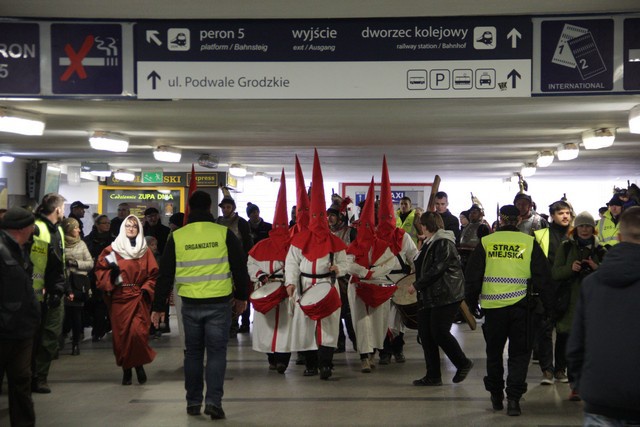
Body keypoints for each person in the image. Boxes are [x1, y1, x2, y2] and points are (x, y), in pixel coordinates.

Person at [152, 190, 249, 420]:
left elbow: (165, 274)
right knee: (216, 354)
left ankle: (193, 402)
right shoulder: (223, 233)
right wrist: (242, 297)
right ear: (209, 207)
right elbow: (240, 267)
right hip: (219, 304)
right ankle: (214, 402)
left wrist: (157, 306)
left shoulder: (177, 236)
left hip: (191, 304)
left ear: (189, 207)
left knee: (193, 354)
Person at [465, 205, 550, 416]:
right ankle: (513, 400)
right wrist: (549, 309)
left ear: (500, 221)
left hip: (494, 309)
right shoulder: (529, 242)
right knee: (519, 354)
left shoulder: (486, 242)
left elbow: (473, 277)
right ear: (518, 220)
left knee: (494, 353)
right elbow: (543, 278)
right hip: (523, 307)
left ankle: (495, 395)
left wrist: (470, 303)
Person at [567, 206, 640, 426]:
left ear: (619, 237)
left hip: (600, 399)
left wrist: (584, 384)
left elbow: (576, 344)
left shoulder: (591, 284)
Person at [285, 150, 348, 380]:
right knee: (305, 327)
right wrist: (291, 283)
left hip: (327, 285)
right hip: (304, 286)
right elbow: (291, 263)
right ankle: (310, 363)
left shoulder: (335, 242)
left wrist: (338, 269)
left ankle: (326, 364)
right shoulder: (299, 241)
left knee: (329, 327)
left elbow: (345, 262)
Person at [410, 212, 473, 386]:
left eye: (421, 224)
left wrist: (417, 285)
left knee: (439, 331)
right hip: (431, 295)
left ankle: (463, 363)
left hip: (445, 294)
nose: (420, 228)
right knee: (426, 335)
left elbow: (438, 268)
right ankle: (433, 375)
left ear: (426, 225)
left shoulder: (443, 241)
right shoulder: (431, 242)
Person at [95, 214, 158, 386]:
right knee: (121, 337)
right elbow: (100, 272)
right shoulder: (111, 250)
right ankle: (127, 370)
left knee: (137, 334)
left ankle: (138, 365)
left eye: (134, 226)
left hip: (138, 297)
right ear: (123, 227)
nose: (131, 228)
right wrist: (112, 275)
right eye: (128, 225)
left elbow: (153, 274)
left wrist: (146, 290)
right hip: (119, 298)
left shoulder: (144, 251)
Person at [551, 211, 606, 401]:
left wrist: (596, 268)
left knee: (591, 346)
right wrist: (570, 269)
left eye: (588, 226)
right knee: (569, 343)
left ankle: (587, 382)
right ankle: (573, 383)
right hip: (569, 303)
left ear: (593, 229)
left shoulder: (601, 251)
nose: (584, 230)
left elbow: (609, 277)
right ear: (576, 229)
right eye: (581, 226)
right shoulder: (566, 248)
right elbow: (555, 273)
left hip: (594, 305)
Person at [346, 179, 396, 373]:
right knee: (361, 321)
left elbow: (389, 262)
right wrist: (362, 272)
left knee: (377, 321)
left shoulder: (383, 246)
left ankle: (373, 351)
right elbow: (348, 263)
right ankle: (364, 357)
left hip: (377, 286)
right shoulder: (354, 246)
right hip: (358, 286)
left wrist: (373, 273)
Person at [247, 170, 292, 373]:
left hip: (285, 291)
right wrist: (261, 276)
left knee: (285, 325)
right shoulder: (261, 245)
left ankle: (283, 358)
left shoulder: (294, 246)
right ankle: (271, 357)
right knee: (266, 325)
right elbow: (251, 264)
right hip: (265, 287)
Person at [377, 157, 419, 365]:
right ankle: (384, 351)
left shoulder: (403, 237)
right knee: (383, 319)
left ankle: (398, 350)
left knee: (399, 321)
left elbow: (414, 257)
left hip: (401, 282)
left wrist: (413, 278)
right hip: (379, 283)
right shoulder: (374, 238)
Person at [0, 207, 40, 426]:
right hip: (5, 330)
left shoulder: (20, 249)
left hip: (22, 330)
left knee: (21, 382)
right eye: (32, 226)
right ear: (23, 228)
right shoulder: (2, 249)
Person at [30, 193, 69, 394]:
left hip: (54, 291)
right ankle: (32, 377)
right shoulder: (37, 229)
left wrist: (63, 287)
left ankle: (40, 376)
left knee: (50, 335)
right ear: (58, 209)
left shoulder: (58, 231)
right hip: (34, 293)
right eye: (63, 207)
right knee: (35, 338)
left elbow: (59, 263)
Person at [532, 200, 573, 385]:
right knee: (545, 330)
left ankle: (560, 370)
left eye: (567, 213)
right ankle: (547, 370)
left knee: (564, 330)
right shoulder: (541, 235)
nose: (565, 216)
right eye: (560, 213)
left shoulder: (575, 235)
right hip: (546, 289)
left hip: (568, 288)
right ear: (552, 216)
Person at [216, 188, 253, 335]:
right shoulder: (217, 222)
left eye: (228, 207)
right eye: (224, 207)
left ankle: (244, 322)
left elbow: (248, 243)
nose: (226, 210)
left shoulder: (241, 222)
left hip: (239, 261)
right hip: (223, 263)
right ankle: (230, 323)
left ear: (233, 208)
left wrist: (246, 261)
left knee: (242, 291)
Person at [327, 198, 357, 353]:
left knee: (350, 311)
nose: (329, 218)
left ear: (340, 216)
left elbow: (357, 253)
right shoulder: (326, 233)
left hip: (348, 276)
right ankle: (339, 342)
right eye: (328, 215)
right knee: (335, 311)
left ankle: (356, 341)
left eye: (333, 215)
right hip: (331, 277)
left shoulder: (350, 231)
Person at [60, 217, 93, 356]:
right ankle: (60, 339)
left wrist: (76, 264)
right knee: (63, 316)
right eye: (75, 228)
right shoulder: (59, 243)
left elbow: (90, 264)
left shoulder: (81, 244)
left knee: (76, 315)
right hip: (63, 283)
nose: (78, 230)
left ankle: (75, 344)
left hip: (78, 285)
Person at [83, 214, 114, 342]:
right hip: (91, 276)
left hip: (108, 276)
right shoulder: (88, 240)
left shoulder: (113, 240)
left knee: (103, 304)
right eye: (104, 223)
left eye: (108, 223)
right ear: (97, 225)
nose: (107, 225)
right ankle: (97, 327)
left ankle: (100, 329)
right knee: (92, 303)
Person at [457, 204, 491, 269]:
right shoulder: (467, 226)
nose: (471, 215)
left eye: (474, 213)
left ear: (480, 214)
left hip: (475, 256)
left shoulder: (482, 227)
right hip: (464, 256)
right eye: (471, 213)